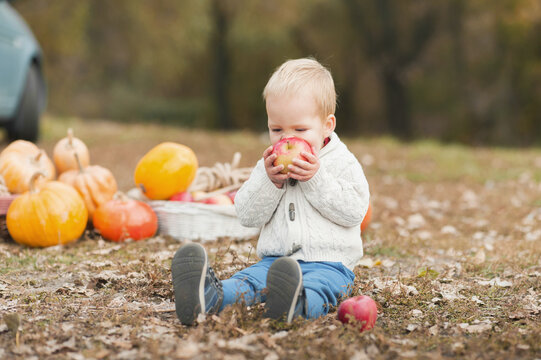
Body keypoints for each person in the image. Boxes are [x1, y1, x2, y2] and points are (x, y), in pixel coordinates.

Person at [171, 58, 370, 325]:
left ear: (328, 125)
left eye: (300, 129)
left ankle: (296, 304)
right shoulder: (268, 166)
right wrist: (269, 182)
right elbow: (246, 215)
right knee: (248, 280)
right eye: (276, 129)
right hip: (275, 263)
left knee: (319, 288)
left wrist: (316, 178)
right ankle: (209, 297)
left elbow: (354, 211)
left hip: (329, 264)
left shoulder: (341, 162)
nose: (286, 139)